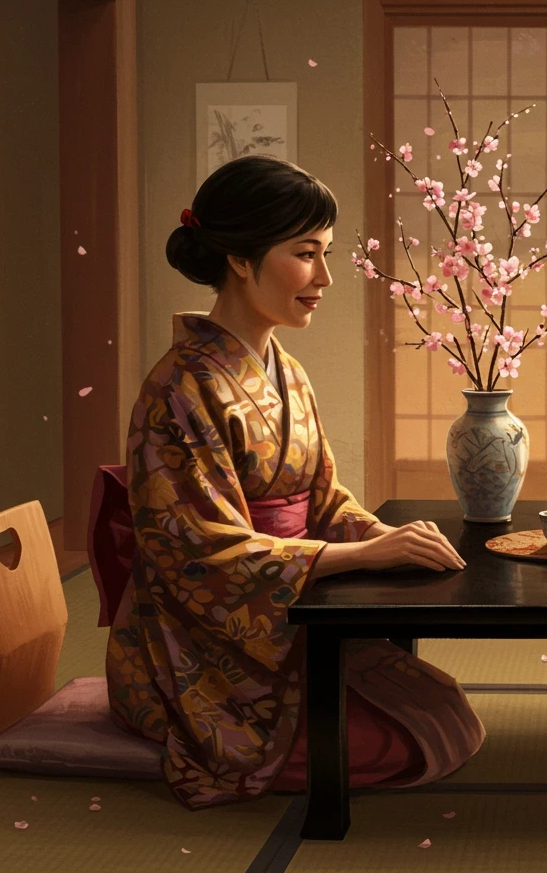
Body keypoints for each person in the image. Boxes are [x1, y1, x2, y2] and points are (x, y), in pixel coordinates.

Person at [98, 154, 485, 810]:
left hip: (282, 609)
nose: (326, 277)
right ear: (242, 260)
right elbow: (199, 551)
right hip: (199, 646)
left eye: (326, 254)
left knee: (443, 711)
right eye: (307, 254)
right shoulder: (179, 387)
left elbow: (326, 499)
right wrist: (361, 557)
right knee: (400, 739)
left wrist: (391, 540)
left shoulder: (288, 371)